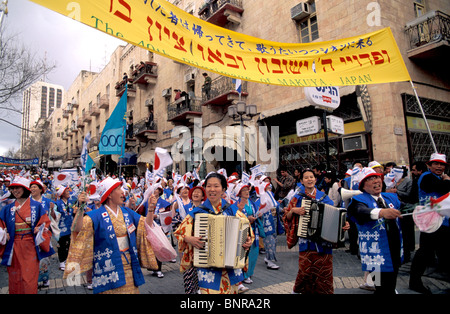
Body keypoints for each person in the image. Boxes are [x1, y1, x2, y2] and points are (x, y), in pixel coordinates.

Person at [63, 177, 158, 294]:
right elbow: (77, 229)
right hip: (107, 267)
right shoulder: (95, 215)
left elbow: (146, 226)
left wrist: (151, 208)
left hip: (128, 265)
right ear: (109, 194)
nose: (123, 192)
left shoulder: (127, 212)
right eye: (119, 189)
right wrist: (81, 207)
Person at [174, 173, 253, 294]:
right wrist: (189, 239)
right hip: (206, 268)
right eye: (209, 186)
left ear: (223, 190)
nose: (212, 189)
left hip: (231, 268)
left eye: (216, 186)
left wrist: (247, 241)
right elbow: (179, 232)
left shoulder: (232, 210)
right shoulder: (198, 212)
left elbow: (248, 233)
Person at [283, 169, 350, 294]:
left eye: (311, 177)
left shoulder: (324, 198)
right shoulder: (297, 198)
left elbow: (336, 216)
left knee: (324, 276)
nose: (309, 179)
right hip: (306, 243)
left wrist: (343, 224)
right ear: (302, 181)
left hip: (324, 244)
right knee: (304, 272)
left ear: (315, 179)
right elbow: (286, 216)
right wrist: (293, 211)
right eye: (306, 178)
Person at [348, 167, 403, 294]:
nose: (376, 181)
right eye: (370, 179)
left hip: (393, 249)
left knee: (389, 284)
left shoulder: (390, 197)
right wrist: (382, 212)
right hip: (375, 255)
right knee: (381, 287)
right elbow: (360, 212)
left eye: (377, 177)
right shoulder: (359, 200)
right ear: (363, 186)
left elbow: (405, 209)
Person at [0, 177, 54, 294]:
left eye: (17, 187)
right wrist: (4, 234)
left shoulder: (37, 206)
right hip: (13, 247)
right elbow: (1, 226)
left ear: (25, 189)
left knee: (29, 278)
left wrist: (39, 230)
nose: (15, 190)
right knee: (14, 278)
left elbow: (45, 224)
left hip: (30, 246)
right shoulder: (7, 208)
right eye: (12, 188)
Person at [409, 153, 450, 294]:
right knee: (424, 253)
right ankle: (414, 281)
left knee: (444, 253)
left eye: (442, 164)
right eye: (436, 164)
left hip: (444, 221)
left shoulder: (439, 177)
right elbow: (442, 188)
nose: (439, 166)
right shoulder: (425, 177)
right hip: (431, 222)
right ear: (429, 165)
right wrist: (447, 180)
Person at [235, 183, 264, 291]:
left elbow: (256, 212)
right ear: (240, 193)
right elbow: (236, 217)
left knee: (254, 252)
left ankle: (250, 272)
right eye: (244, 190)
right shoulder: (237, 203)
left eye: (248, 189)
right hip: (244, 231)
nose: (247, 192)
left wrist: (258, 215)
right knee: (245, 253)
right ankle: (244, 275)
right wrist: (247, 218)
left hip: (253, 230)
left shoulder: (252, 202)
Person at [30, 179, 55, 289]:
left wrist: (53, 210)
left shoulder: (47, 201)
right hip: (31, 233)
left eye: (35, 187)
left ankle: (45, 279)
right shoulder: (27, 202)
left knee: (45, 256)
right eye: (31, 187)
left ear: (41, 189)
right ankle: (33, 279)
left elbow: (53, 217)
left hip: (44, 232)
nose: (32, 189)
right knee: (32, 258)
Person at [54, 185, 76, 271]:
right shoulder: (57, 203)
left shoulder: (70, 202)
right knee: (61, 245)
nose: (68, 193)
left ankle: (67, 259)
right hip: (61, 227)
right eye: (67, 192)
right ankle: (62, 261)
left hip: (70, 226)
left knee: (70, 244)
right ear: (62, 194)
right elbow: (54, 216)